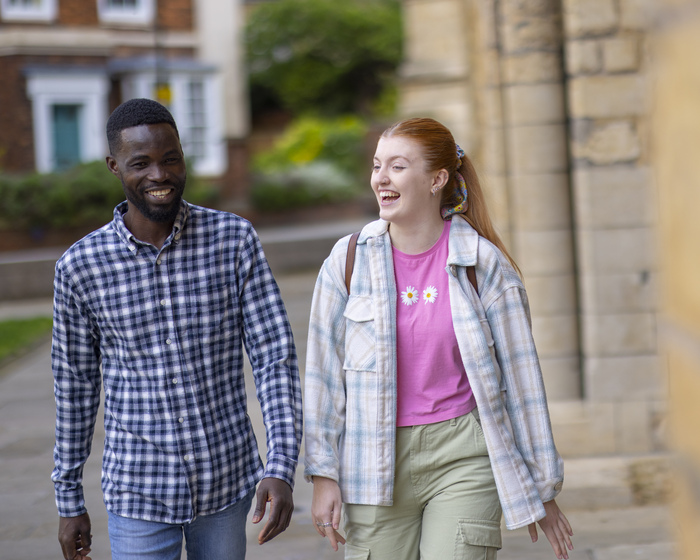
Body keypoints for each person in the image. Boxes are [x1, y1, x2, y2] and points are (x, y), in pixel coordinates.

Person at [304, 117, 574, 560]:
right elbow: (322, 377)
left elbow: (524, 382)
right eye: (377, 166)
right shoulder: (347, 261)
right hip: (372, 462)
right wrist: (323, 475)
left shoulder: (483, 266)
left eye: (397, 167)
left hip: (464, 457)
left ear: (437, 179)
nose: (381, 179)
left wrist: (542, 487)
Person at [51, 98, 302, 560]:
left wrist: (281, 466)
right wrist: (69, 500)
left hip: (226, 484)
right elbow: (75, 387)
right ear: (114, 166)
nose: (159, 175)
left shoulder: (234, 240)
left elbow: (274, 358)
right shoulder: (80, 267)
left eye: (170, 159)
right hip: (138, 489)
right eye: (140, 163)